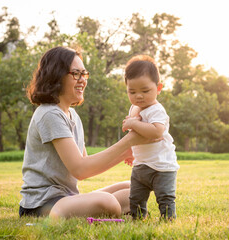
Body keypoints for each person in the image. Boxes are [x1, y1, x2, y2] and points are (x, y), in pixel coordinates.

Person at [19, 46, 152, 219]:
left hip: (67, 198)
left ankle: (111, 209)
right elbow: (80, 170)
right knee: (108, 202)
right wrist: (129, 142)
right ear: (57, 75)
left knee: (132, 189)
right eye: (76, 74)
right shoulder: (49, 113)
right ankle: (110, 211)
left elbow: (86, 166)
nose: (82, 80)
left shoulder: (72, 115)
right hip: (42, 204)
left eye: (84, 74)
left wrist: (126, 152)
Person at [122, 55, 180, 220]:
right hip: (141, 165)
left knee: (165, 196)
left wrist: (133, 123)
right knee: (135, 197)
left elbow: (156, 131)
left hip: (161, 166)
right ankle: (138, 218)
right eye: (132, 91)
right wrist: (130, 152)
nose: (138, 96)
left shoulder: (156, 110)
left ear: (158, 88)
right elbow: (136, 136)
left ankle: (168, 218)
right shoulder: (134, 108)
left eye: (145, 91)